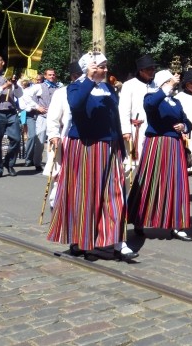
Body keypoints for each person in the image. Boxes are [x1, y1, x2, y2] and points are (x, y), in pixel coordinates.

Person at [47, 51, 137, 261]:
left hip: (110, 147)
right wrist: (89, 78)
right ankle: (81, 240)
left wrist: (121, 149)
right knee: (85, 196)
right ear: (88, 67)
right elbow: (77, 105)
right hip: (86, 147)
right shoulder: (76, 87)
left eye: (105, 67)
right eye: (99, 67)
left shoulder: (108, 89)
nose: (104, 71)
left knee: (115, 194)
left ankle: (116, 241)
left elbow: (115, 118)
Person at [128, 70, 192, 242]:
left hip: (175, 145)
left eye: (173, 83)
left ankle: (177, 224)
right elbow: (150, 106)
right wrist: (167, 86)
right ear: (162, 83)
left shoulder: (176, 102)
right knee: (150, 182)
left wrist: (184, 126)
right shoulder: (151, 97)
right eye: (169, 83)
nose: (173, 86)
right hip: (156, 144)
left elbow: (188, 122)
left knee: (176, 184)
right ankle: (139, 220)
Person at [45, 62, 80, 209]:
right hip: (65, 139)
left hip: (84, 142)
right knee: (59, 175)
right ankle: (56, 205)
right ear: (73, 76)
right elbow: (53, 117)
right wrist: (53, 134)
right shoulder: (62, 92)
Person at [119, 55, 157, 170]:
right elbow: (124, 109)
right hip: (136, 129)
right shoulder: (129, 85)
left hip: (152, 128)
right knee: (133, 164)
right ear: (141, 71)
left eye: (153, 69)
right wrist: (125, 130)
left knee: (151, 161)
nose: (152, 72)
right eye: (149, 69)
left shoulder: (156, 86)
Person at [21, 68, 59, 171]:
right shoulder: (39, 87)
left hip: (55, 118)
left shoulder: (58, 87)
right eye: (49, 75)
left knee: (55, 140)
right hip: (42, 117)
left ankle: (53, 163)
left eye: (53, 75)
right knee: (40, 141)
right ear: (45, 76)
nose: (52, 76)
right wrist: (37, 107)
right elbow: (25, 95)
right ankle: (37, 162)